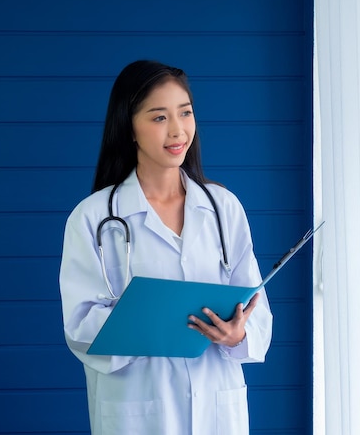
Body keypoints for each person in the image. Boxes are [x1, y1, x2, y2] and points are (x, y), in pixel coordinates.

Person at [59, 60, 273, 434]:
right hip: (138, 412)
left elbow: (258, 315)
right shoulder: (94, 218)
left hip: (217, 409)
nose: (177, 130)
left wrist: (237, 334)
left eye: (185, 113)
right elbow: (80, 327)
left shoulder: (224, 208)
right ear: (130, 128)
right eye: (159, 118)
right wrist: (152, 320)